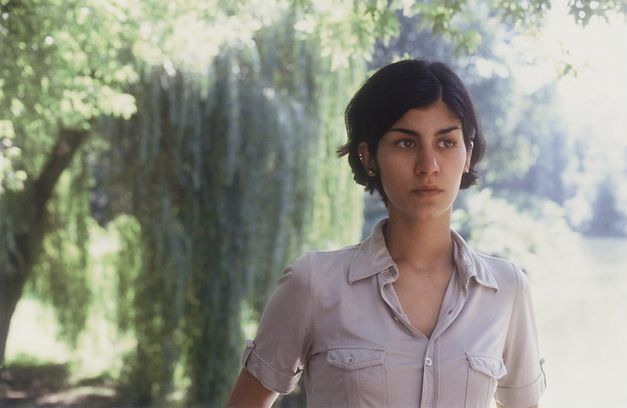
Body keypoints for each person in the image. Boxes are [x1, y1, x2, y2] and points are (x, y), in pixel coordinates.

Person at [226, 59, 546, 408]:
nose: (428, 165)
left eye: (447, 143)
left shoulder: (507, 289)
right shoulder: (314, 284)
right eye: (406, 143)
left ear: (468, 154)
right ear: (368, 157)